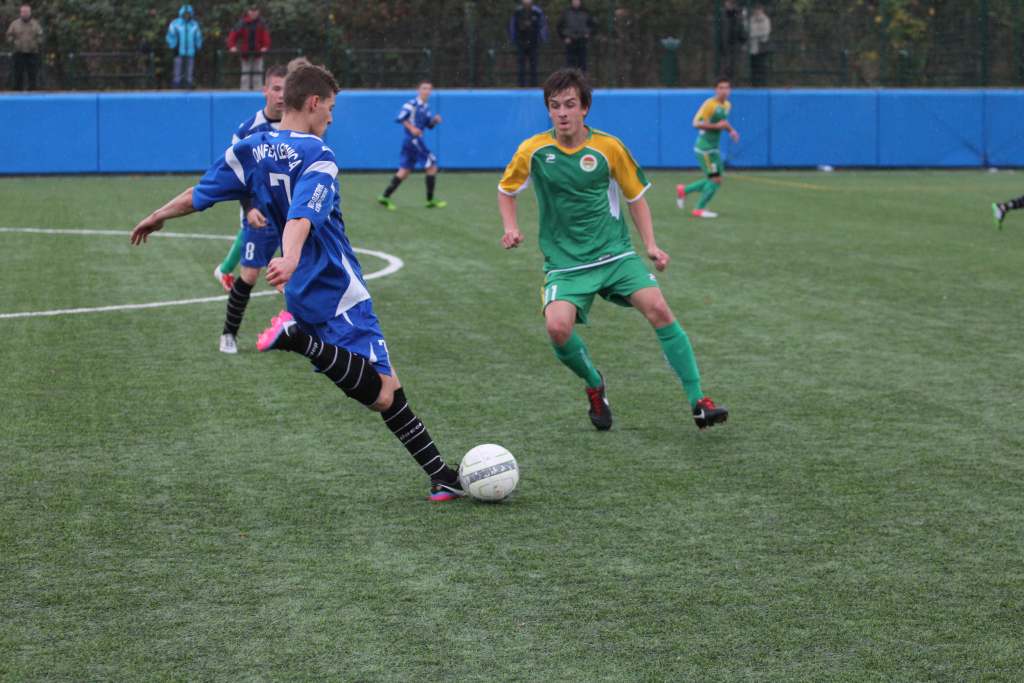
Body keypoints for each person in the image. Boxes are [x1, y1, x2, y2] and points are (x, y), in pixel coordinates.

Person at [130, 64, 466, 502]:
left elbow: (201, 192)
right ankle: (299, 339)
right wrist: (289, 255)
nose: (331, 117)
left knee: (388, 387)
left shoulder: (252, 147)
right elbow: (303, 213)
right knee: (384, 392)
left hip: (298, 290)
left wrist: (158, 215)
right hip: (336, 288)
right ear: (313, 103)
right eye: (330, 107)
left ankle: (442, 476)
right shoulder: (319, 155)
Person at [497, 68, 728, 432]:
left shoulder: (609, 147)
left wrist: (650, 245)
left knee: (659, 309)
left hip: (615, 255)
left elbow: (636, 198)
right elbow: (507, 191)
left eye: (570, 104)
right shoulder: (533, 150)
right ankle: (594, 384)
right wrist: (511, 228)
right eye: (554, 106)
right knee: (557, 329)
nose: (562, 112)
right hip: (566, 264)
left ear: (585, 107)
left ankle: (699, 400)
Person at [212, 63, 287, 354]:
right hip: (259, 213)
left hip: (292, 213)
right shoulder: (248, 129)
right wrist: (249, 207)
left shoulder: (298, 125)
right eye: (276, 88)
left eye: (286, 89)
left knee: (301, 272)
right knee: (251, 275)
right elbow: (236, 174)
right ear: (265, 90)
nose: (281, 95)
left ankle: (301, 333)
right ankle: (228, 334)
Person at [376, 80, 447, 210]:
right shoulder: (411, 104)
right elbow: (401, 117)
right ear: (418, 90)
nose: (427, 91)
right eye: (424, 88)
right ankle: (430, 200)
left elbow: (428, 126)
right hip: (413, 140)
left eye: (429, 89)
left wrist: (435, 121)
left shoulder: (426, 107)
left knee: (404, 171)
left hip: (412, 142)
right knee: (431, 166)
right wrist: (412, 128)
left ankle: (385, 197)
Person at [675, 78, 740, 219]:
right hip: (705, 149)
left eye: (727, 87)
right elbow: (696, 123)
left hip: (713, 148)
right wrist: (716, 127)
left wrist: (731, 131)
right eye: (721, 87)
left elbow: (723, 122)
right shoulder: (710, 104)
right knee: (714, 180)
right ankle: (698, 209)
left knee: (716, 180)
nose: (724, 91)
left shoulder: (727, 105)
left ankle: (684, 190)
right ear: (716, 90)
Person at [227, 7, 271, 90]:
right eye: (252, 11)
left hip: (258, 53)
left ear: (258, 12)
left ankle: (258, 93)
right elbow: (232, 35)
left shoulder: (261, 23)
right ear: (248, 12)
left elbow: (266, 37)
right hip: (245, 54)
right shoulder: (242, 23)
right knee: (245, 75)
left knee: (257, 75)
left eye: (255, 11)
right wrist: (232, 46)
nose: (253, 13)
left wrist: (265, 47)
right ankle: (244, 94)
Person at [508, 0, 548, 87]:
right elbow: (512, 26)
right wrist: (513, 39)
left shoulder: (537, 12)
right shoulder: (517, 12)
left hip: (533, 42)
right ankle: (521, 85)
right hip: (521, 43)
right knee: (521, 65)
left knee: (534, 65)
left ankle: (534, 85)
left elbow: (542, 25)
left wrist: (542, 39)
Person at [6, 4, 43, 91]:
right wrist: (13, 42)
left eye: (27, 12)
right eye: (23, 12)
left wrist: (37, 42)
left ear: (30, 13)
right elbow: (9, 35)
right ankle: (17, 93)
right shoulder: (14, 24)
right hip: (18, 52)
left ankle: (33, 92)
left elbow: (40, 35)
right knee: (18, 74)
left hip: (32, 53)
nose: (25, 13)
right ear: (20, 13)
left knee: (33, 74)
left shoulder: (35, 24)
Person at [166, 4, 202, 89]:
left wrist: (198, 45)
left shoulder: (194, 24)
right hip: (178, 50)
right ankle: (176, 85)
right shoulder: (175, 23)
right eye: (185, 14)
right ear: (181, 13)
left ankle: (189, 84)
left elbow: (198, 36)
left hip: (191, 50)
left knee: (189, 69)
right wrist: (173, 45)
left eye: (188, 14)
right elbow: (170, 35)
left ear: (191, 14)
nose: (187, 16)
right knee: (177, 69)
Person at [557, 0, 595, 72]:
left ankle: (582, 80)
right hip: (570, 42)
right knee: (570, 64)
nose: (576, 2)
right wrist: (564, 37)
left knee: (582, 63)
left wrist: (588, 34)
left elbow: (593, 26)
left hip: (582, 41)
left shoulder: (586, 12)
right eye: (574, 1)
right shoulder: (566, 12)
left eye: (577, 0)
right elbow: (559, 27)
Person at [747, 4, 771, 87]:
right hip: (753, 49)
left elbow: (765, 32)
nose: (757, 12)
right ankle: (754, 84)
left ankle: (762, 84)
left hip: (762, 48)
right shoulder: (751, 19)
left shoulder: (766, 20)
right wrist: (755, 33)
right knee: (754, 67)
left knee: (762, 67)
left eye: (759, 10)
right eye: (756, 10)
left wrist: (755, 33)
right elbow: (749, 32)